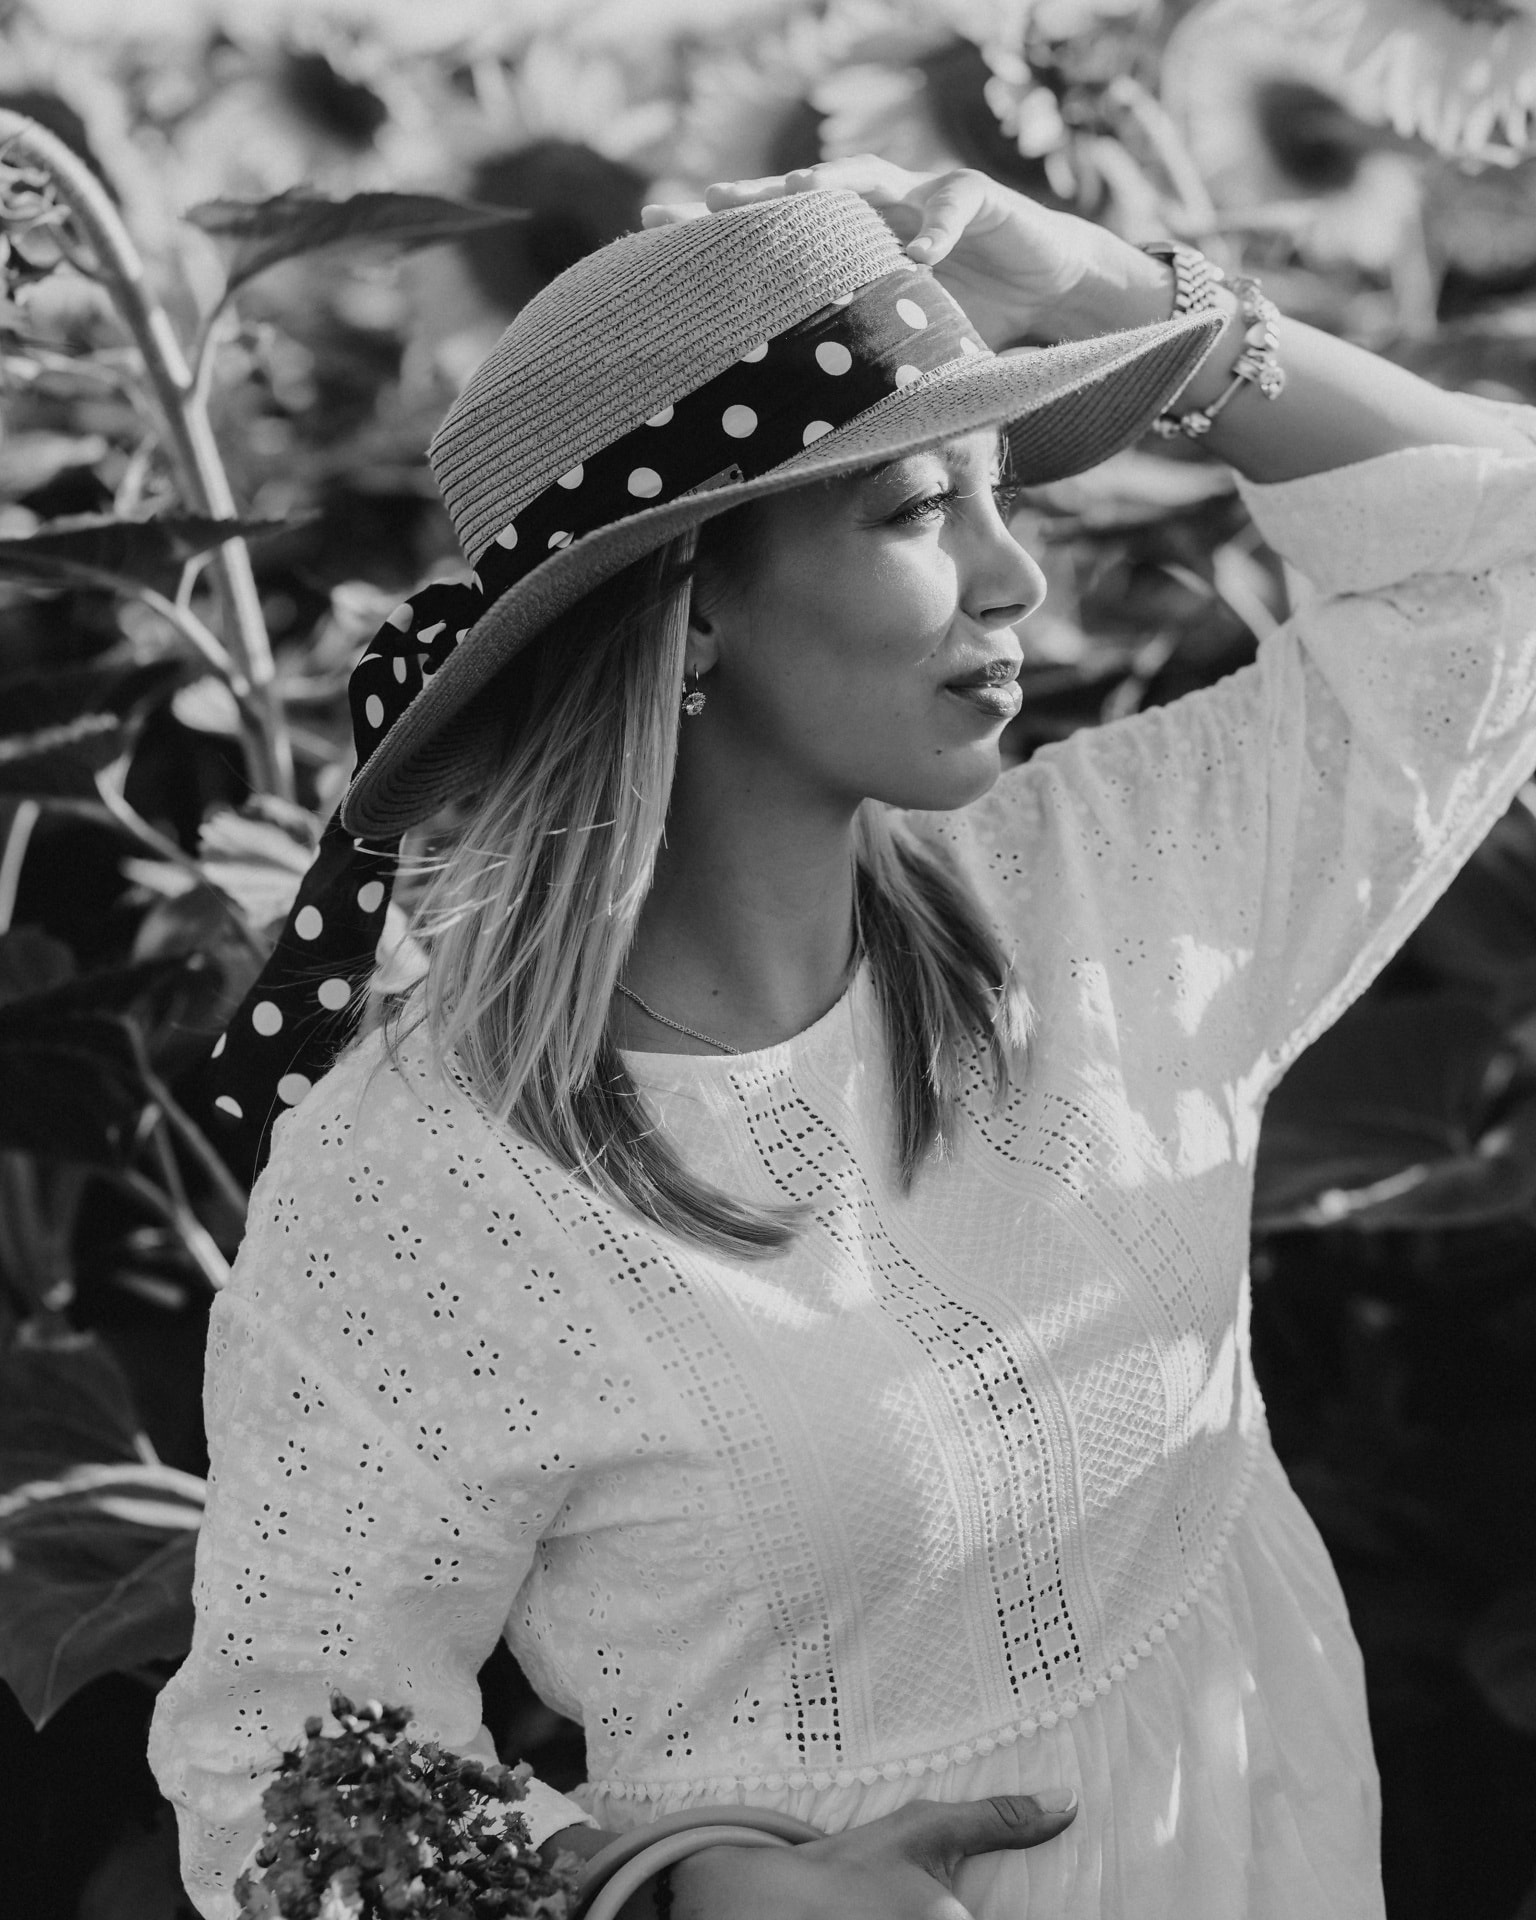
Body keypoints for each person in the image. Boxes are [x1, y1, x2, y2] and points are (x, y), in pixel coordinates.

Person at [149, 156, 1536, 1920]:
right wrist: (672, 1886)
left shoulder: (1102, 895)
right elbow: (273, 1779)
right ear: (690, 601)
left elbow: (1494, 555)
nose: (1015, 573)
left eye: (998, 491)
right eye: (912, 511)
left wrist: (1131, 300)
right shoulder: (422, 1182)